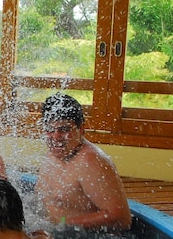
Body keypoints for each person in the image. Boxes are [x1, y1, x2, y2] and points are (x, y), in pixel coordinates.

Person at [35, 93, 131, 231]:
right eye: (50, 129)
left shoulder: (91, 161)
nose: (56, 137)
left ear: (80, 129)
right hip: (57, 233)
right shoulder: (52, 155)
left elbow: (121, 218)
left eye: (64, 129)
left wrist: (62, 223)